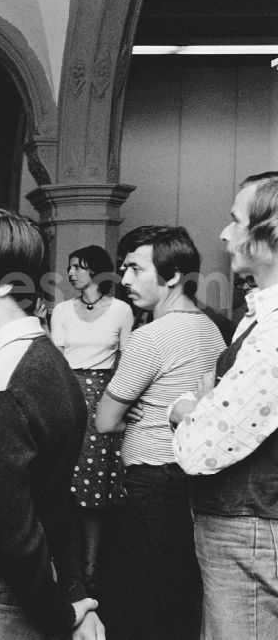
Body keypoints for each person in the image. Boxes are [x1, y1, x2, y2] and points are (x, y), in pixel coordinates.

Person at [0, 209, 102, 640]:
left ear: (5, 282)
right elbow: (53, 498)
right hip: (14, 591)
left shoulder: (4, 385)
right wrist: (73, 594)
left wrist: (63, 616)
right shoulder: (45, 359)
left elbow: (14, 532)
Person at [95, 226, 225, 640]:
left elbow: (105, 420)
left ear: (172, 276)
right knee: (177, 598)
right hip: (190, 480)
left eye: (135, 268)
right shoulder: (212, 328)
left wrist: (139, 414)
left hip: (151, 481)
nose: (125, 279)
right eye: (123, 267)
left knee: (135, 605)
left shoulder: (150, 337)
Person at [170, 172, 278, 639]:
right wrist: (203, 401)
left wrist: (184, 411)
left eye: (236, 221)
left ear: (269, 234)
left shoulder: (273, 332)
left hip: (248, 527)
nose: (224, 234)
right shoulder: (257, 318)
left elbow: (198, 447)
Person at [50, 245, 133, 593]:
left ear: (97, 272)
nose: (71, 273)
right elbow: (54, 359)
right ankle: (61, 565)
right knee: (61, 482)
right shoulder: (61, 311)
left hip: (103, 397)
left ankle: (91, 567)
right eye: (70, 267)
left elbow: (128, 361)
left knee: (94, 489)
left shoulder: (121, 311)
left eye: (79, 267)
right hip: (66, 396)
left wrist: (123, 403)